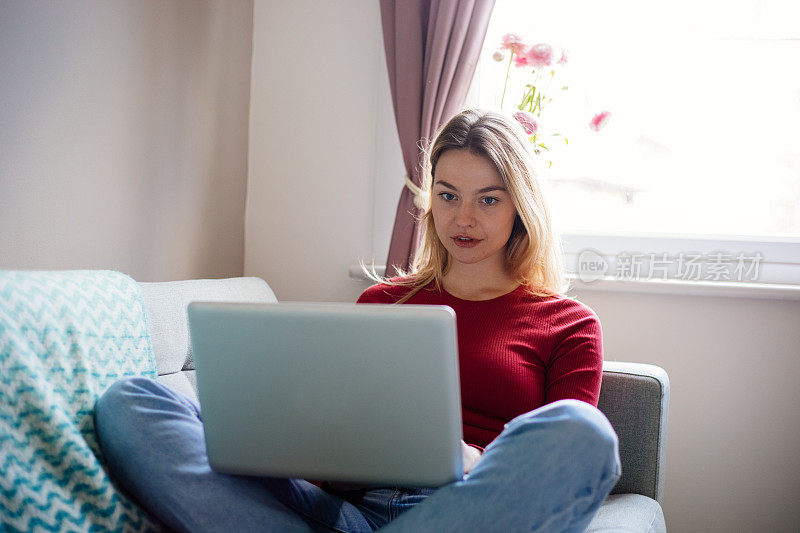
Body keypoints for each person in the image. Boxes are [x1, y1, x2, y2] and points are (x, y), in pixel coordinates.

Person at [95, 109, 621, 532]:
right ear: (430, 198)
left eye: (488, 199)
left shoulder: (569, 323)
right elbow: (330, 435)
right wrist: (302, 445)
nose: (463, 218)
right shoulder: (380, 302)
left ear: (520, 207)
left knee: (585, 432)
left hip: (469, 512)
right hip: (345, 513)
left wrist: (472, 459)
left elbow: (556, 465)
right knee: (130, 403)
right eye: (447, 195)